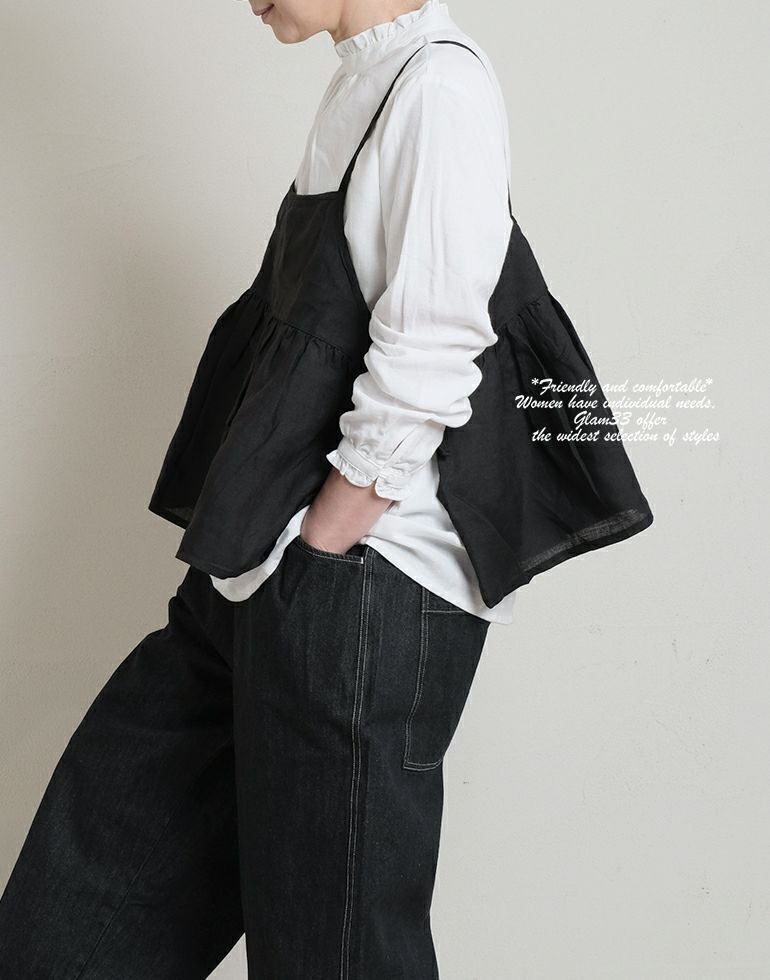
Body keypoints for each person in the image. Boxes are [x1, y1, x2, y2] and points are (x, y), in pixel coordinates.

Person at [0, 0, 654, 977]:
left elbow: (432, 346)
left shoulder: (439, 88)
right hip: (254, 570)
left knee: (332, 955)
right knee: (77, 907)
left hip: (356, 594)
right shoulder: (367, 79)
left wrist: (322, 547)